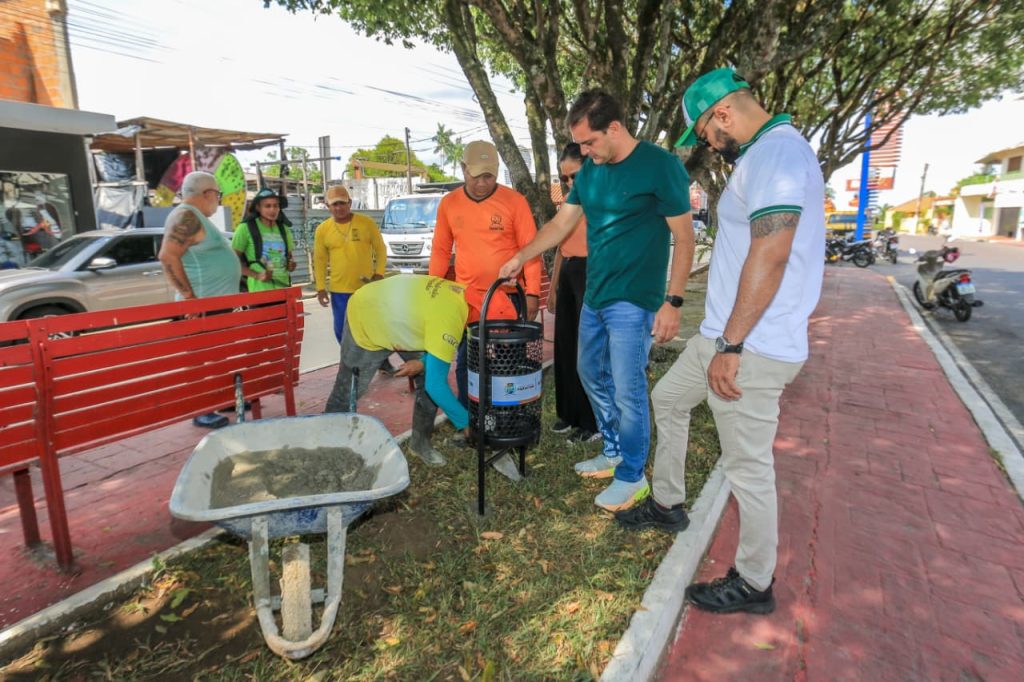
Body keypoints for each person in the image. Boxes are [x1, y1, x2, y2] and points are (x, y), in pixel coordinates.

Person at [616, 67, 826, 615]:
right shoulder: (760, 156)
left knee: (747, 467)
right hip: (721, 336)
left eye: (707, 132)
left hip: (752, 346)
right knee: (667, 398)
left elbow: (771, 254)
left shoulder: (778, 153)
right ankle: (668, 503)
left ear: (724, 114)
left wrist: (731, 347)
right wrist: (720, 339)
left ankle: (755, 582)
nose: (708, 143)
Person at [499, 90, 695, 512]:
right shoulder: (591, 172)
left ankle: (633, 476)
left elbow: (684, 237)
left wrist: (673, 301)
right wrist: (521, 257)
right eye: (580, 144)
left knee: (628, 390)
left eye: (589, 142)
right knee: (589, 372)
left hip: (634, 300)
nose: (584, 152)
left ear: (615, 129)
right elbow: (560, 225)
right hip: (596, 295)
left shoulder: (660, 166)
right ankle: (613, 450)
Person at [324, 274, 516, 467]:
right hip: (368, 314)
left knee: (425, 381)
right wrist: (466, 423)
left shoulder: (466, 299)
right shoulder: (449, 318)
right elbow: (436, 386)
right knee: (348, 391)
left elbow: (436, 338)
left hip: (402, 318)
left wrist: (423, 362)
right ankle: (328, 448)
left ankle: (419, 444)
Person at [429, 140, 542, 407]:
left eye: (489, 176)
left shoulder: (515, 202)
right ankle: (470, 418)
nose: (482, 183)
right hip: (466, 299)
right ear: (463, 168)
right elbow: (441, 251)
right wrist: (432, 290)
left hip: (509, 297)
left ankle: (507, 415)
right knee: (467, 361)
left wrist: (533, 293)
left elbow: (531, 250)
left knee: (508, 361)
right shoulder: (449, 204)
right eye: (476, 176)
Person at [158, 171, 243, 429]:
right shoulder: (186, 216)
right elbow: (167, 255)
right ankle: (202, 409)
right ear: (207, 193)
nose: (218, 199)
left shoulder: (196, 217)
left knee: (218, 355)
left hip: (215, 305)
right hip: (203, 306)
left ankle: (221, 399)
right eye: (218, 194)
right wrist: (189, 297)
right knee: (198, 358)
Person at [547, 143, 599, 443]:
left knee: (587, 349)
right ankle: (567, 413)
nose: (568, 183)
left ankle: (591, 421)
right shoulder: (569, 202)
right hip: (568, 272)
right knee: (564, 346)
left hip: (592, 271)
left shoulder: (601, 200)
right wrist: (553, 288)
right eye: (563, 178)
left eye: (574, 176)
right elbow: (560, 248)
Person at [313, 185, 387, 343]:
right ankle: (348, 357)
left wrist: (379, 273)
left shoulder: (366, 223)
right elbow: (319, 260)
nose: (339, 207)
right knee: (342, 330)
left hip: (365, 287)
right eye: (334, 204)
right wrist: (320, 288)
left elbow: (381, 249)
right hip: (339, 291)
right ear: (327, 206)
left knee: (369, 328)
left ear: (350, 203)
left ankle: (373, 357)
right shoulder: (322, 230)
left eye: (342, 203)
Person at [232, 188, 296, 291]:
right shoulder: (245, 228)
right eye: (267, 206)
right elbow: (232, 261)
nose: (272, 210)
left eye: (276, 206)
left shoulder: (284, 229)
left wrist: (291, 264)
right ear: (258, 208)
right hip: (259, 291)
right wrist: (257, 275)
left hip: (284, 289)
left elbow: (289, 257)